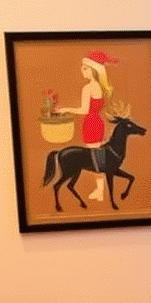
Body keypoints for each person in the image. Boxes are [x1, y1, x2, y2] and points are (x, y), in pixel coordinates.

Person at [55, 50, 119, 202]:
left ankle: (100, 191)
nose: (82, 70)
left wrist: (65, 109)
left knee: (95, 159)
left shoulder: (88, 88)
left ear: (93, 70)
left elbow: (84, 110)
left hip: (90, 124)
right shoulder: (101, 87)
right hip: (98, 122)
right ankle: (100, 190)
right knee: (98, 157)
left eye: (85, 68)